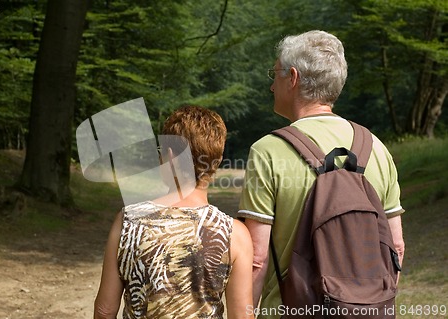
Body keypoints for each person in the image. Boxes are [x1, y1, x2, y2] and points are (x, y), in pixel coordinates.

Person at [237, 30, 405, 316]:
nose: (271, 87)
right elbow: (396, 248)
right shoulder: (376, 148)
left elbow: (257, 258)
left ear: (292, 77)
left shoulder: (267, 151)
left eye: (274, 74)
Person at [94, 105, 254, 319]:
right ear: (217, 162)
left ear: (170, 156)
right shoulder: (235, 234)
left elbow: (104, 311)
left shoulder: (128, 221)